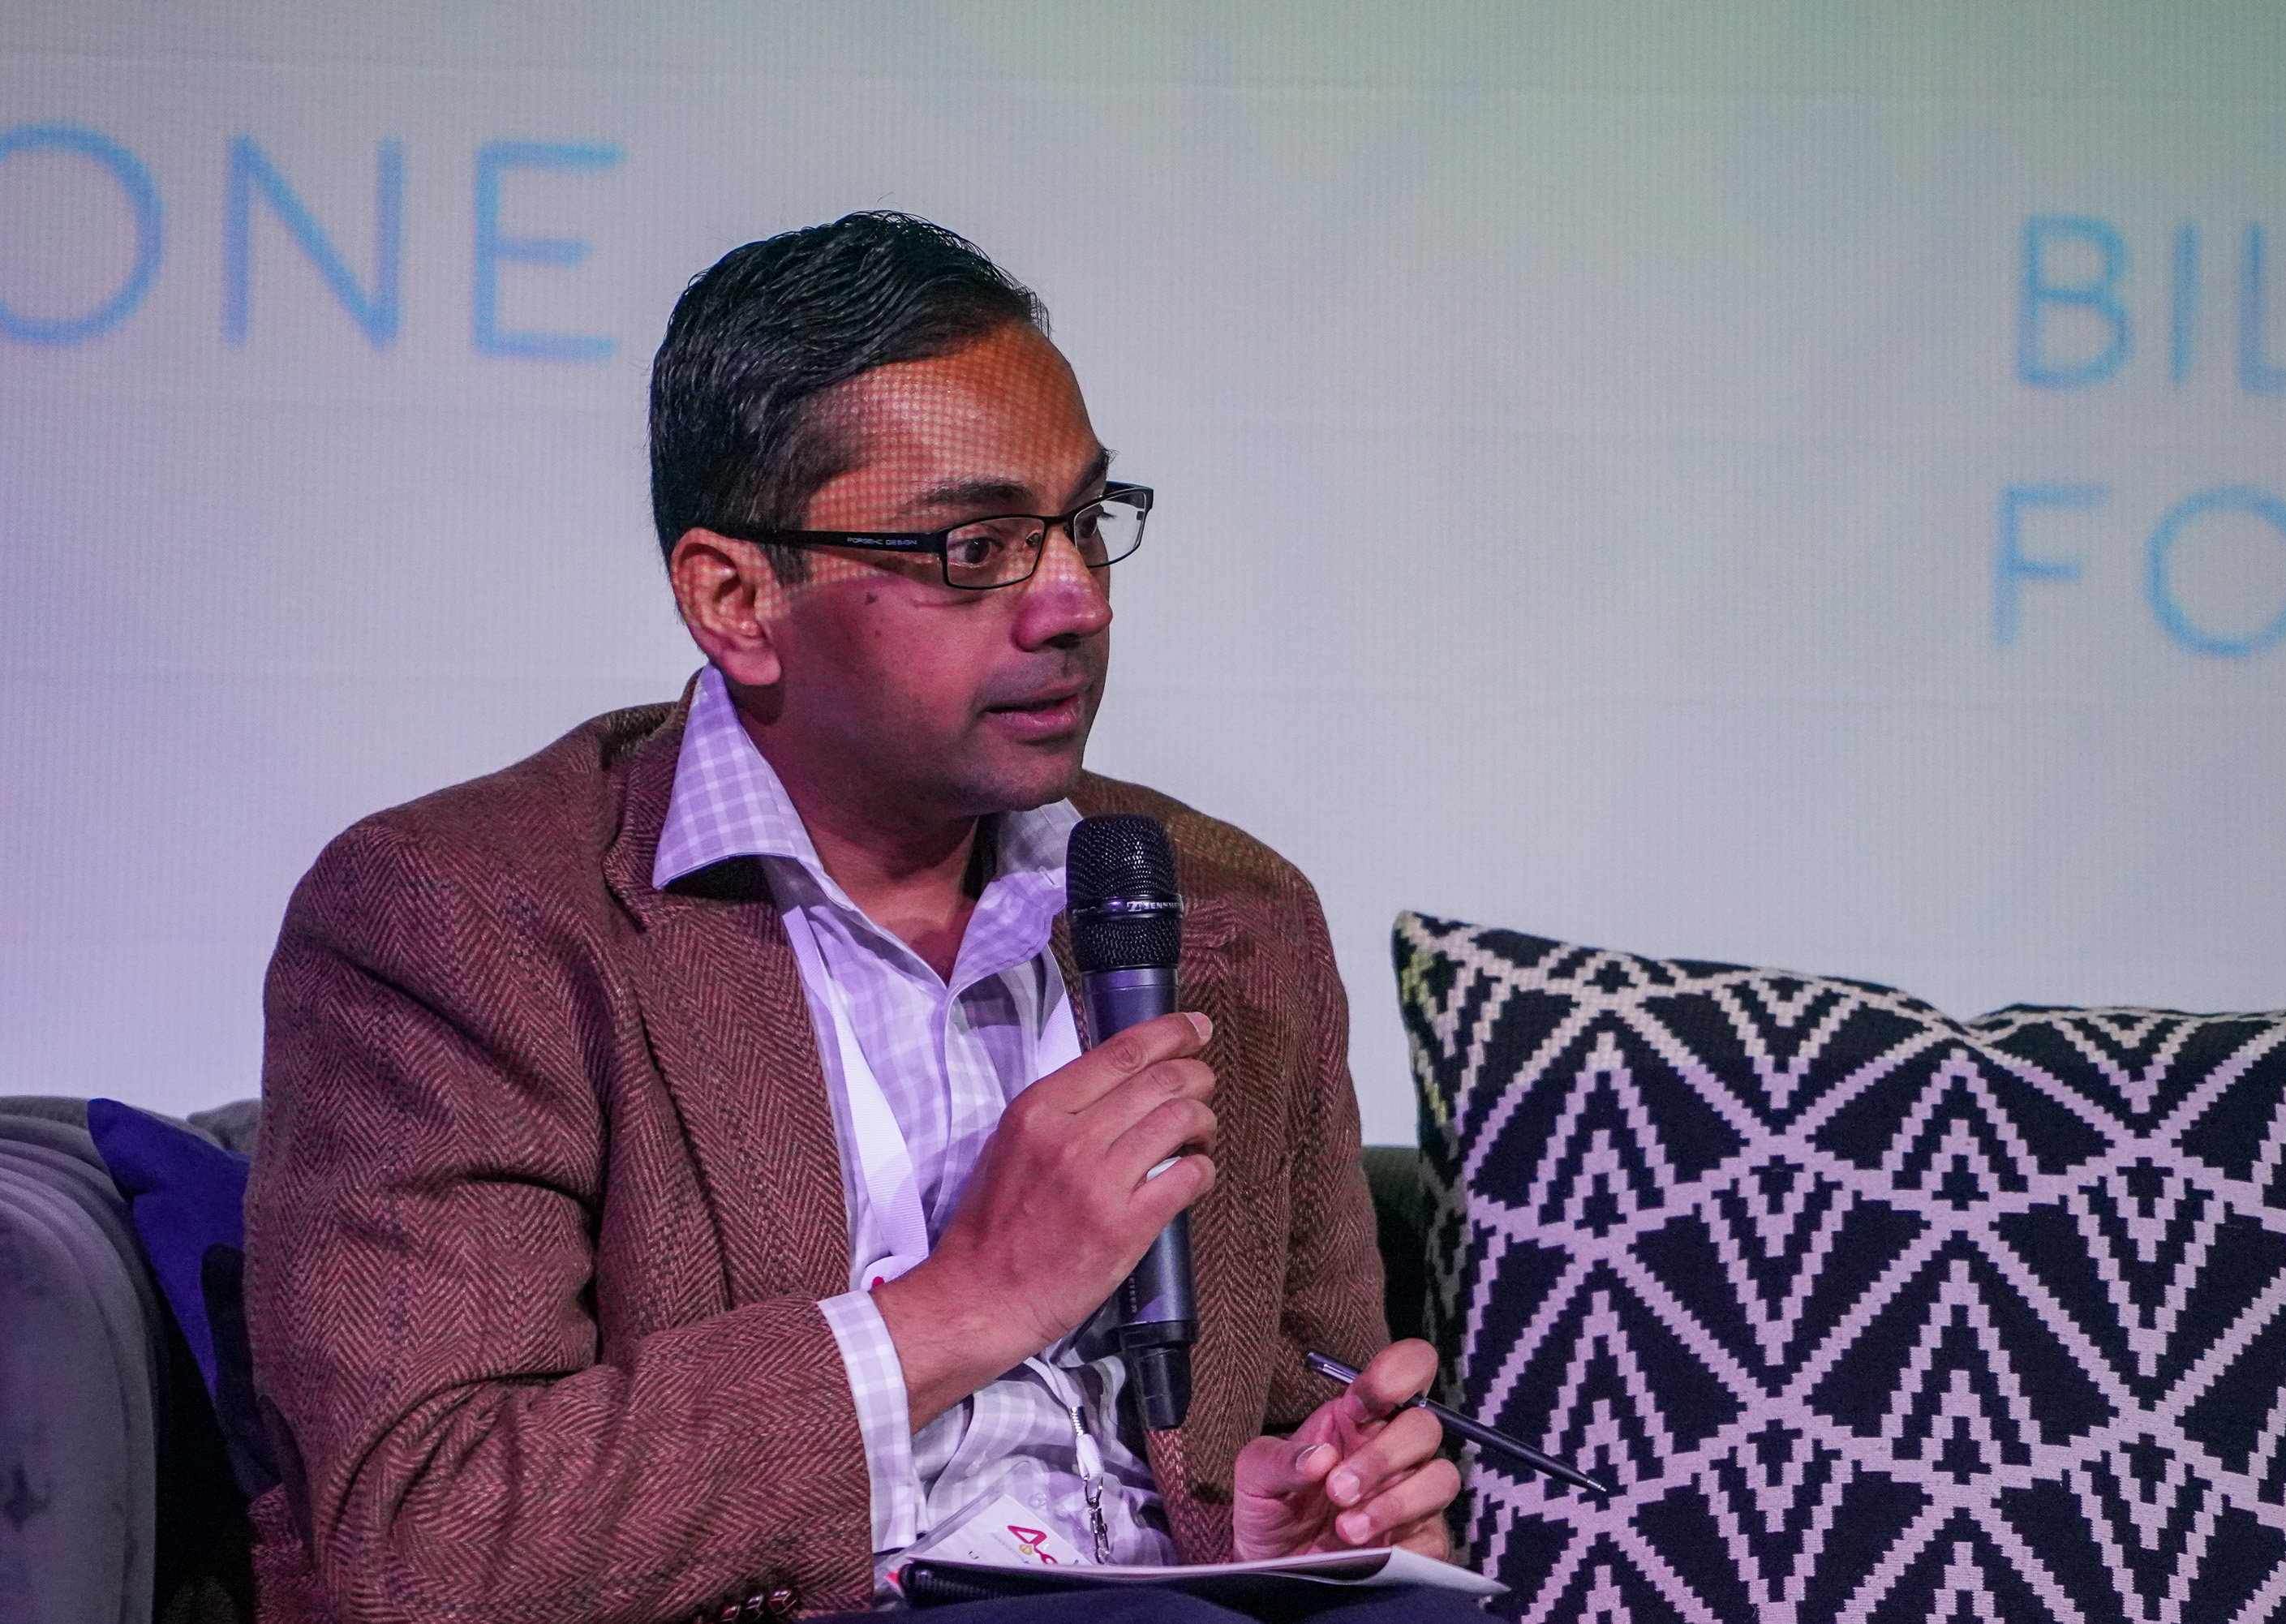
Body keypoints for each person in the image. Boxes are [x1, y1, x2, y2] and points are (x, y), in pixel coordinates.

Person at [242, 213, 1467, 1624]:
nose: (1074, 599)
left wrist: (1292, 1521)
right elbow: (428, 1538)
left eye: (1085, 521)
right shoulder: (467, 920)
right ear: (735, 597)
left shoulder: (1230, 911)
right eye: (976, 546)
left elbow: (1307, 1407)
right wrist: (964, 1304)